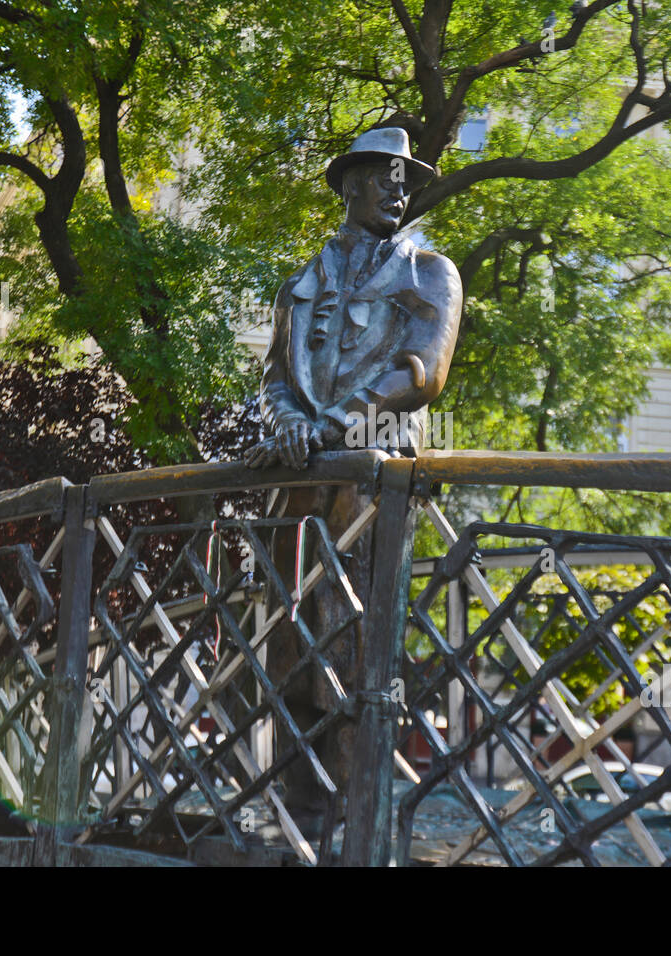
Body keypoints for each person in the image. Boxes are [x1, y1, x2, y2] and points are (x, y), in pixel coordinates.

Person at [243, 126, 462, 838]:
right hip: (297, 479)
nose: (400, 187)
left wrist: (335, 422)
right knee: (286, 647)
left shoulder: (430, 272)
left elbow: (417, 372)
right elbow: (273, 380)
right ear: (349, 185)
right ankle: (297, 810)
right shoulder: (298, 286)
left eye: (407, 177)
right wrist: (284, 425)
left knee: (355, 646)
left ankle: (358, 819)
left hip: (371, 476)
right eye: (386, 175)